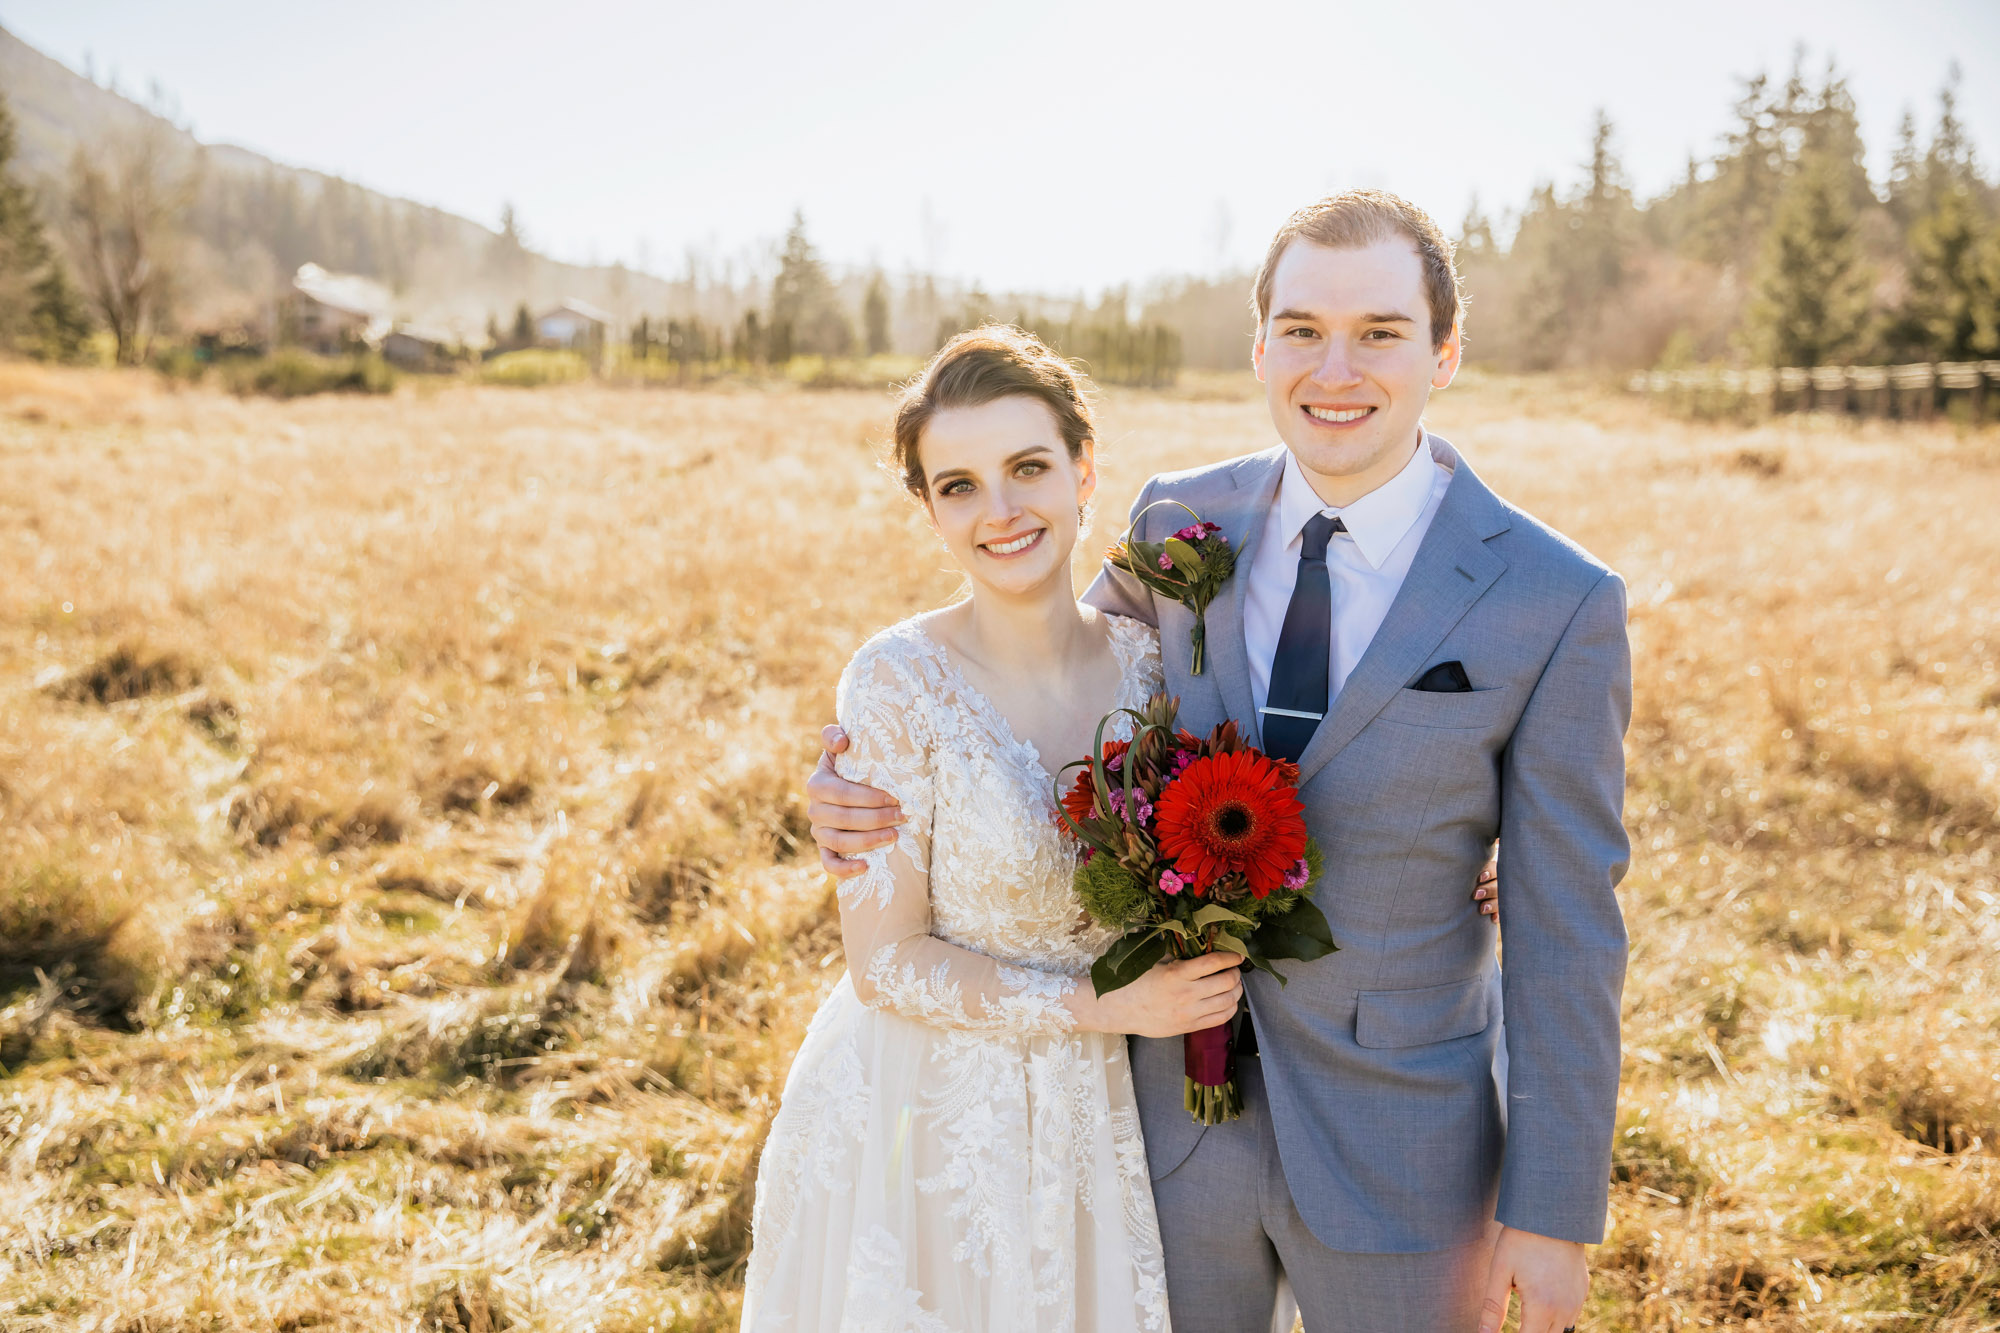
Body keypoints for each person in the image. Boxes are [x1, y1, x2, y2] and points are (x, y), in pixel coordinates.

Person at [808, 190, 1631, 1333]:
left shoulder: (1555, 599)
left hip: (1405, 1145)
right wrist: (858, 792)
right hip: (1157, 1136)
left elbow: (1572, 922)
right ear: (1258, 347)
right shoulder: (1179, 525)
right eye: (1300, 328)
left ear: (1444, 351)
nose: (1332, 368)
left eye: (1378, 332)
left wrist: (1552, 1212)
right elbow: (1046, 700)